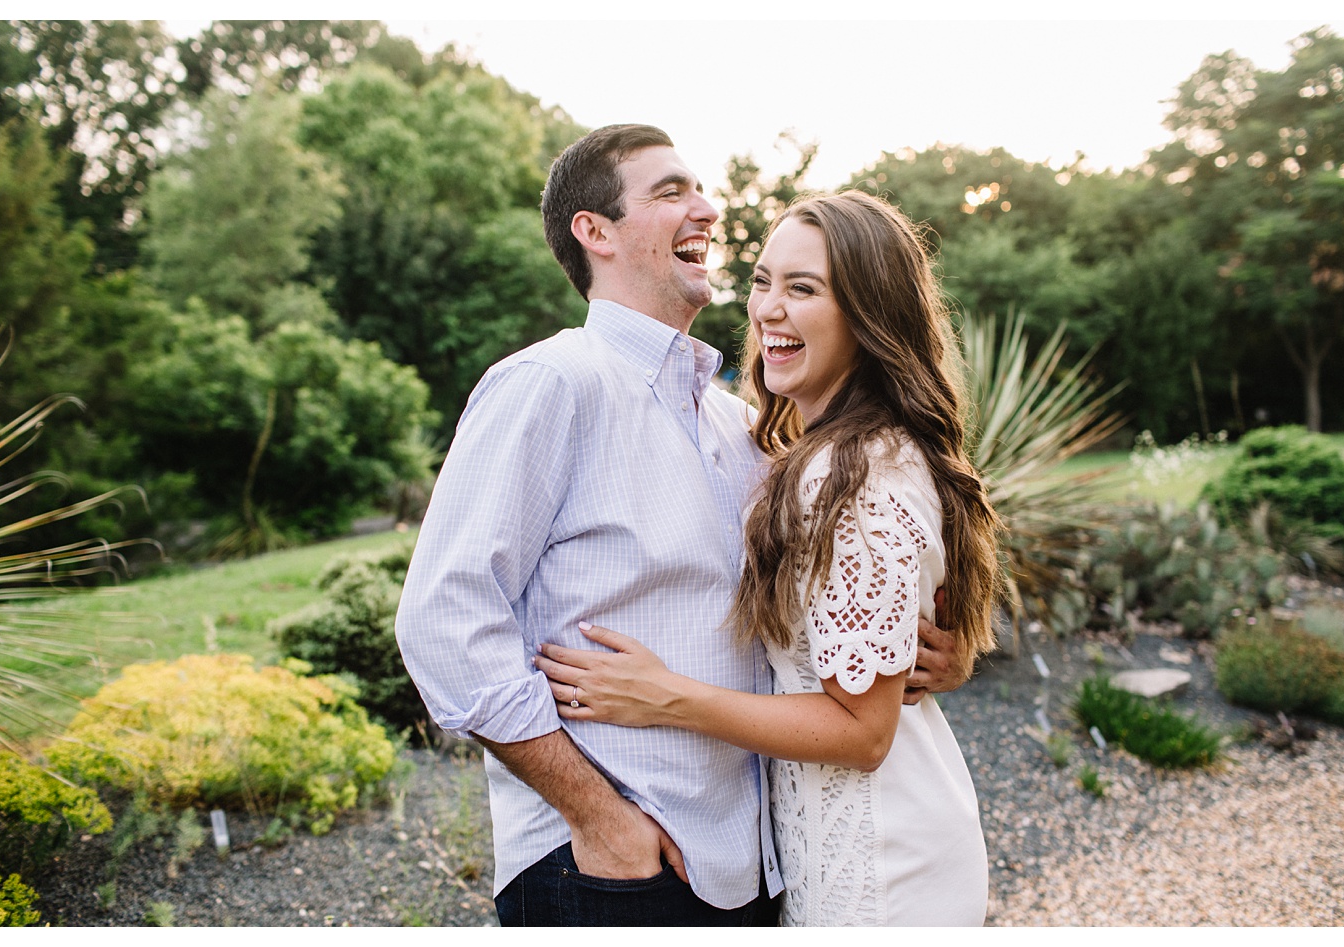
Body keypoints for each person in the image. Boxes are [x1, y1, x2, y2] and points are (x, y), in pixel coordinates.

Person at [394, 125, 966, 927]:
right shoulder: (550, 385)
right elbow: (442, 622)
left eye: (699, 189)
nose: (705, 207)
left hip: (750, 865)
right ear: (594, 232)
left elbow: (837, 600)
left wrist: (919, 648)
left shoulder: (741, 427)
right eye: (670, 192)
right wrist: (599, 818)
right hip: (610, 866)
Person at [535, 190, 1003, 926]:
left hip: (883, 862)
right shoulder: (814, 454)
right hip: (838, 846)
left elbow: (865, 732)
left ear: (867, 314)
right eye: (762, 281)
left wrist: (663, 695)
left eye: (804, 289)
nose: (768, 310)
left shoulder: (859, 472)